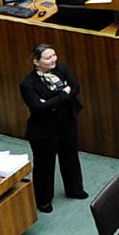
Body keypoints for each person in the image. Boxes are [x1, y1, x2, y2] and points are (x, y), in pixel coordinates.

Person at [19, 43, 83, 212]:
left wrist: (51, 102)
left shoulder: (61, 68)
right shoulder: (27, 83)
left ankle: (74, 189)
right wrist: (63, 94)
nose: (53, 59)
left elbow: (75, 87)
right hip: (43, 130)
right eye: (48, 58)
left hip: (67, 121)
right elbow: (39, 108)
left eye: (54, 55)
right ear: (36, 62)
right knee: (45, 165)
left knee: (70, 156)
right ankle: (43, 200)